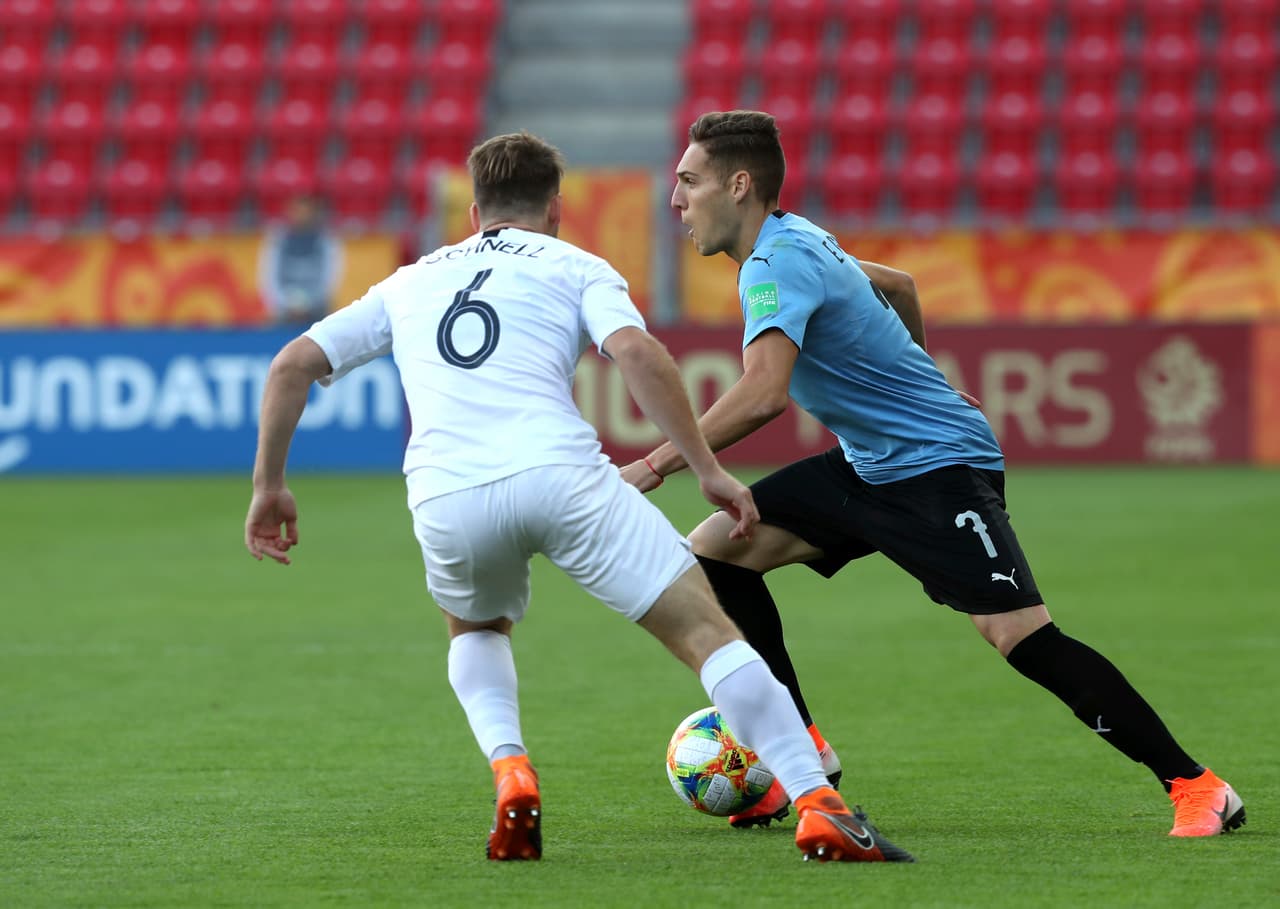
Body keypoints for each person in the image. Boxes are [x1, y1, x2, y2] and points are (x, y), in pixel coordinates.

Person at [243, 130, 914, 863]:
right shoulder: (576, 265)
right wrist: (706, 468)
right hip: (560, 476)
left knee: (475, 630)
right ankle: (821, 805)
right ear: (556, 209)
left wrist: (269, 485)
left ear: (473, 214)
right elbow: (637, 354)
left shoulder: (410, 280)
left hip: (446, 492)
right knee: (707, 634)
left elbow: (290, 366)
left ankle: (512, 770)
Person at [621, 110, 1245, 839]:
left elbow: (762, 392)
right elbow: (902, 284)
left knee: (1022, 637)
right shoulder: (795, 236)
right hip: (869, 464)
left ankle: (1197, 785)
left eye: (688, 181)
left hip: (940, 470)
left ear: (738, 183)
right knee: (715, 549)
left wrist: (657, 462)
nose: (676, 201)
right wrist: (925, 372)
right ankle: (805, 751)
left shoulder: (774, 262)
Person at [257, 194, 344, 325]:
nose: (302, 216)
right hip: (284, 309)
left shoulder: (326, 240)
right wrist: (287, 303)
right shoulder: (278, 240)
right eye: (298, 211)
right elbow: (269, 276)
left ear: (313, 213)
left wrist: (309, 304)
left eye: (306, 212)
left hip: (317, 308)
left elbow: (331, 276)